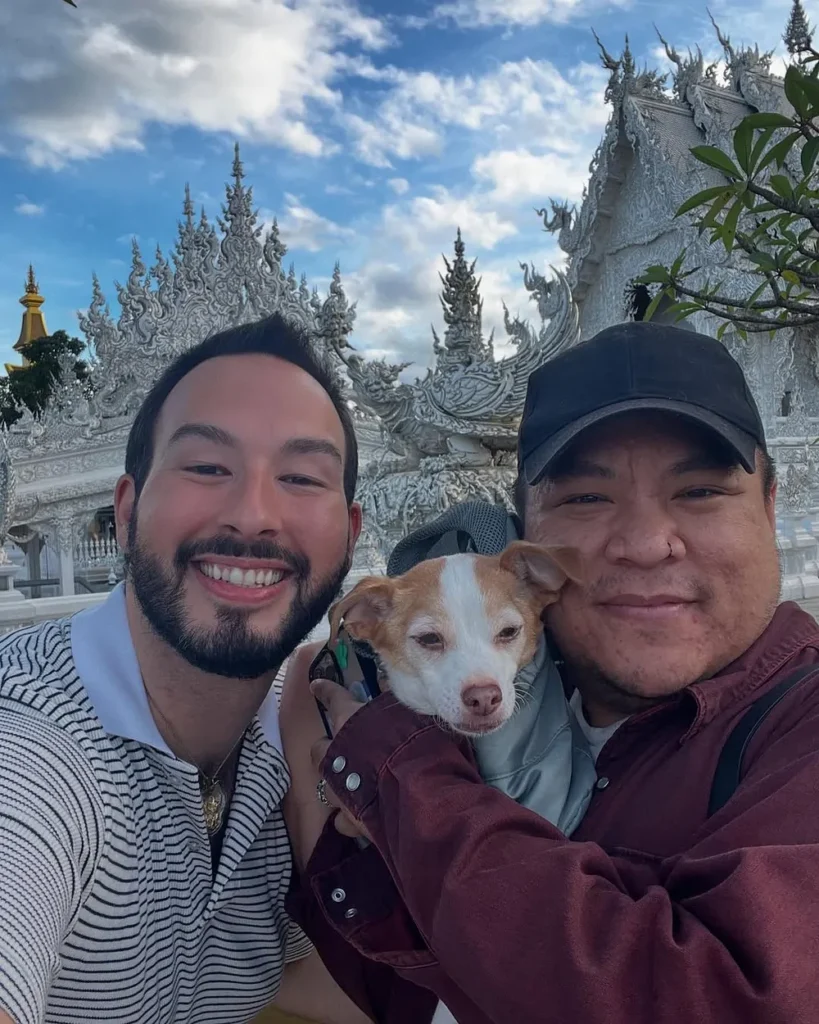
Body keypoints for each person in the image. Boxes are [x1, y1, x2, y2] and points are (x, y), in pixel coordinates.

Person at [280, 321, 819, 1024]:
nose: (645, 544)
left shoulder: (797, 730)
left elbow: (719, 999)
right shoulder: (477, 701)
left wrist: (397, 780)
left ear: (770, 510)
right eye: (587, 499)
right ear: (526, 543)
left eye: (700, 492)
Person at [0, 314, 370, 1024]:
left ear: (351, 536)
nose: (254, 514)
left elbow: (313, 986)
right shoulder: (34, 747)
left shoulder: (298, 747)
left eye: (299, 476)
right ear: (129, 508)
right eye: (206, 467)